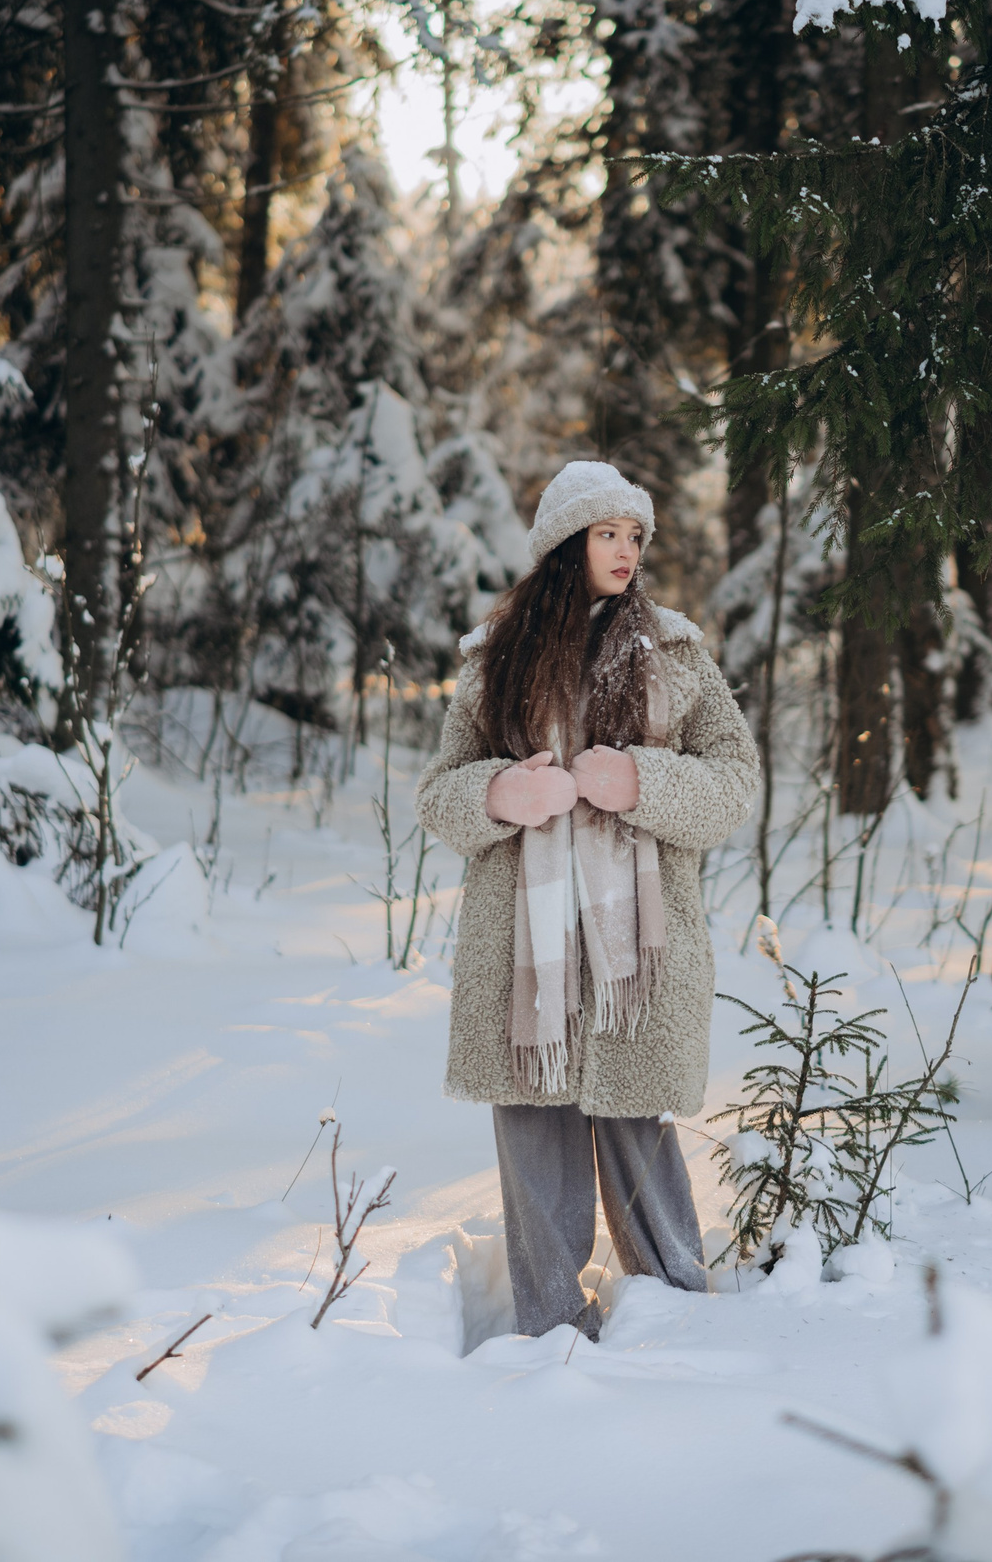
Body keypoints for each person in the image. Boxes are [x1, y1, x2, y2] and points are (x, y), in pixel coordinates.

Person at [416, 461, 759, 1339]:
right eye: (608, 533)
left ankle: (675, 1308)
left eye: (635, 535)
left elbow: (735, 779)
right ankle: (551, 1325)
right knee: (534, 1124)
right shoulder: (496, 660)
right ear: (566, 545)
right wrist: (501, 794)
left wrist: (641, 780)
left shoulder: (675, 652)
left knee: (636, 1119)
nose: (626, 550)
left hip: (635, 950)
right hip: (523, 945)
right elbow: (439, 793)